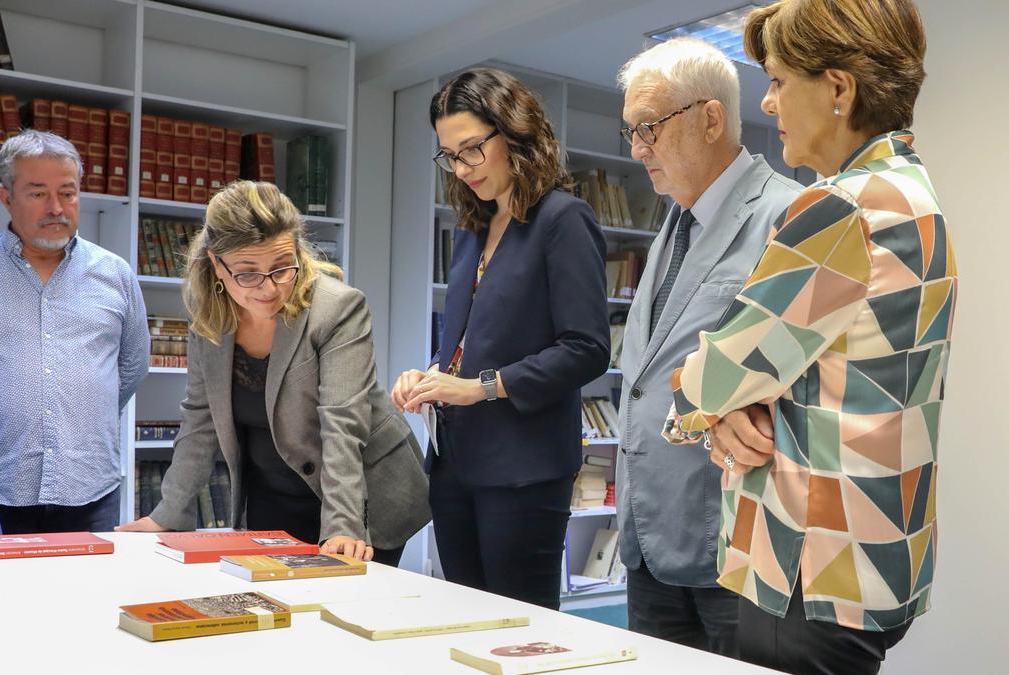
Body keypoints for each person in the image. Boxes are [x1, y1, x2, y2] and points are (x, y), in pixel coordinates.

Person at [665, 1, 954, 673]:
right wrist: (730, 408)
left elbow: (715, 373)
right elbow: (820, 368)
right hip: (880, 557)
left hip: (808, 567)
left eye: (777, 81)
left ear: (838, 90)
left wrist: (703, 402)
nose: (767, 104)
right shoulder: (915, 195)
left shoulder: (840, 209)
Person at [118, 181, 430, 566]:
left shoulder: (337, 309)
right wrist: (168, 516)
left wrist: (344, 524)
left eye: (282, 267)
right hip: (272, 494)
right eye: (248, 273)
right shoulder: (210, 321)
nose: (269, 288)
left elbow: (342, 422)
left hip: (362, 494)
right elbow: (200, 420)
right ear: (217, 264)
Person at [392, 68, 611, 609]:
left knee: (521, 633)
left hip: (524, 470)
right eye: (450, 156)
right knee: (465, 620)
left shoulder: (564, 219)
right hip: (453, 463)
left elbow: (587, 348)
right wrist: (432, 375)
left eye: (472, 150)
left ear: (513, 131)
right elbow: (473, 340)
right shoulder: (472, 226)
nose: (462, 169)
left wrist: (481, 387)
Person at [612, 38, 801, 656]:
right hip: (649, 535)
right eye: (631, 132)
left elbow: (814, 375)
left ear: (711, 118)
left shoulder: (789, 215)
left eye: (649, 129)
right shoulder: (673, 223)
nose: (638, 149)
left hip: (735, 541)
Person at [0, 129, 150, 534]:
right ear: (6, 197)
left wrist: (79, 407)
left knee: (85, 597)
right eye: (38, 193)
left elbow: (130, 366)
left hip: (90, 486)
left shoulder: (115, 274)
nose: (57, 207)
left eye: (68, 192)